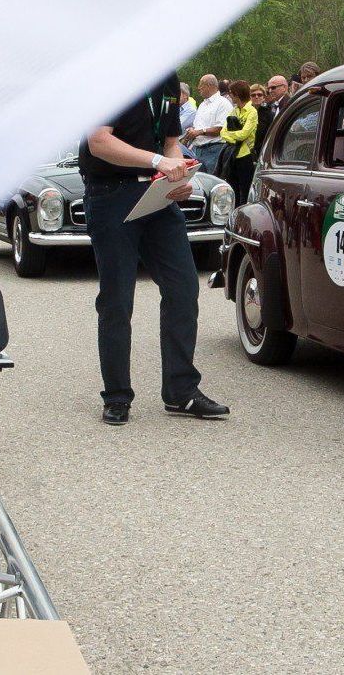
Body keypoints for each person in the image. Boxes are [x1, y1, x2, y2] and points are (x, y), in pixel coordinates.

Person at [80, 74, 227, 426]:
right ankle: (117, 396)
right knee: (117, 299)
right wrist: (157, 162)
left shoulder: (167, 81)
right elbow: (99, 141)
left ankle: (181, 392)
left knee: (183, 288)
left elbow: (171, 143)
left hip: (157, 196)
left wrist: (178, 175)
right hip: (110, 194)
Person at [183, 74, 232, 178]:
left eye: (201, 85)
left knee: (210, 182)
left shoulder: (223, 103)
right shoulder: (202, 104)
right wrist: (193, 130)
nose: (198, 88)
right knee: (199, 182)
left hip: (214, 150)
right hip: (198, 150)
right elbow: (197, 126)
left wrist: (199, 132)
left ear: (209, 85)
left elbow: (221, 128)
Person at [220, 80, 258, 205]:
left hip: (245, 155)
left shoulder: (252, 111)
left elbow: (244, 134)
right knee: (232, 188)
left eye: (231, 93)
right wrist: (234, 138)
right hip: (233, 155)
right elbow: (222, 132)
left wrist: (231, 137)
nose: (230, 96)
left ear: (237, 94)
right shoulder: (234, 110)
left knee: (245, 190)